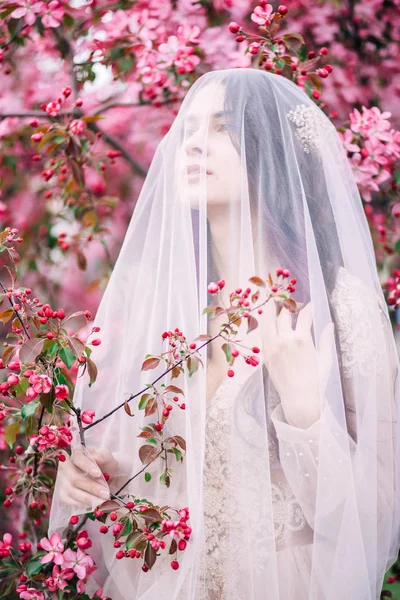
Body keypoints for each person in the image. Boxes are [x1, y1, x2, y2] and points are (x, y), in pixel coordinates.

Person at [49, 68, 400, 600]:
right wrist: (103, 474)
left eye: (220, 129)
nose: (192, 144)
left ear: (272, 152)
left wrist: (306, 415)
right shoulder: (174, 310)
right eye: (187, 129)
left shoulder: (334, 307)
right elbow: (168, 477)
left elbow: (376, 516)